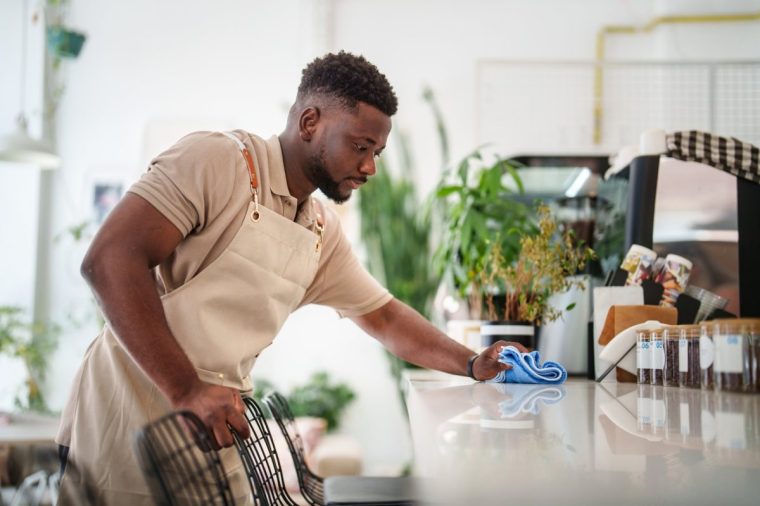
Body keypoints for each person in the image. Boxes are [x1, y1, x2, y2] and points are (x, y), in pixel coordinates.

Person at [56, 51, 526, 505]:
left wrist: (472, 363)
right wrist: (186, 390)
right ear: (309, 123)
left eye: (377, 152)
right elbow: (110, 260)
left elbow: (383, 316)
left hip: (217, 420)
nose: (370, 167)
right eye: (360, 147)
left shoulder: (319, 227)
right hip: (126, 413)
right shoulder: (217, 161)